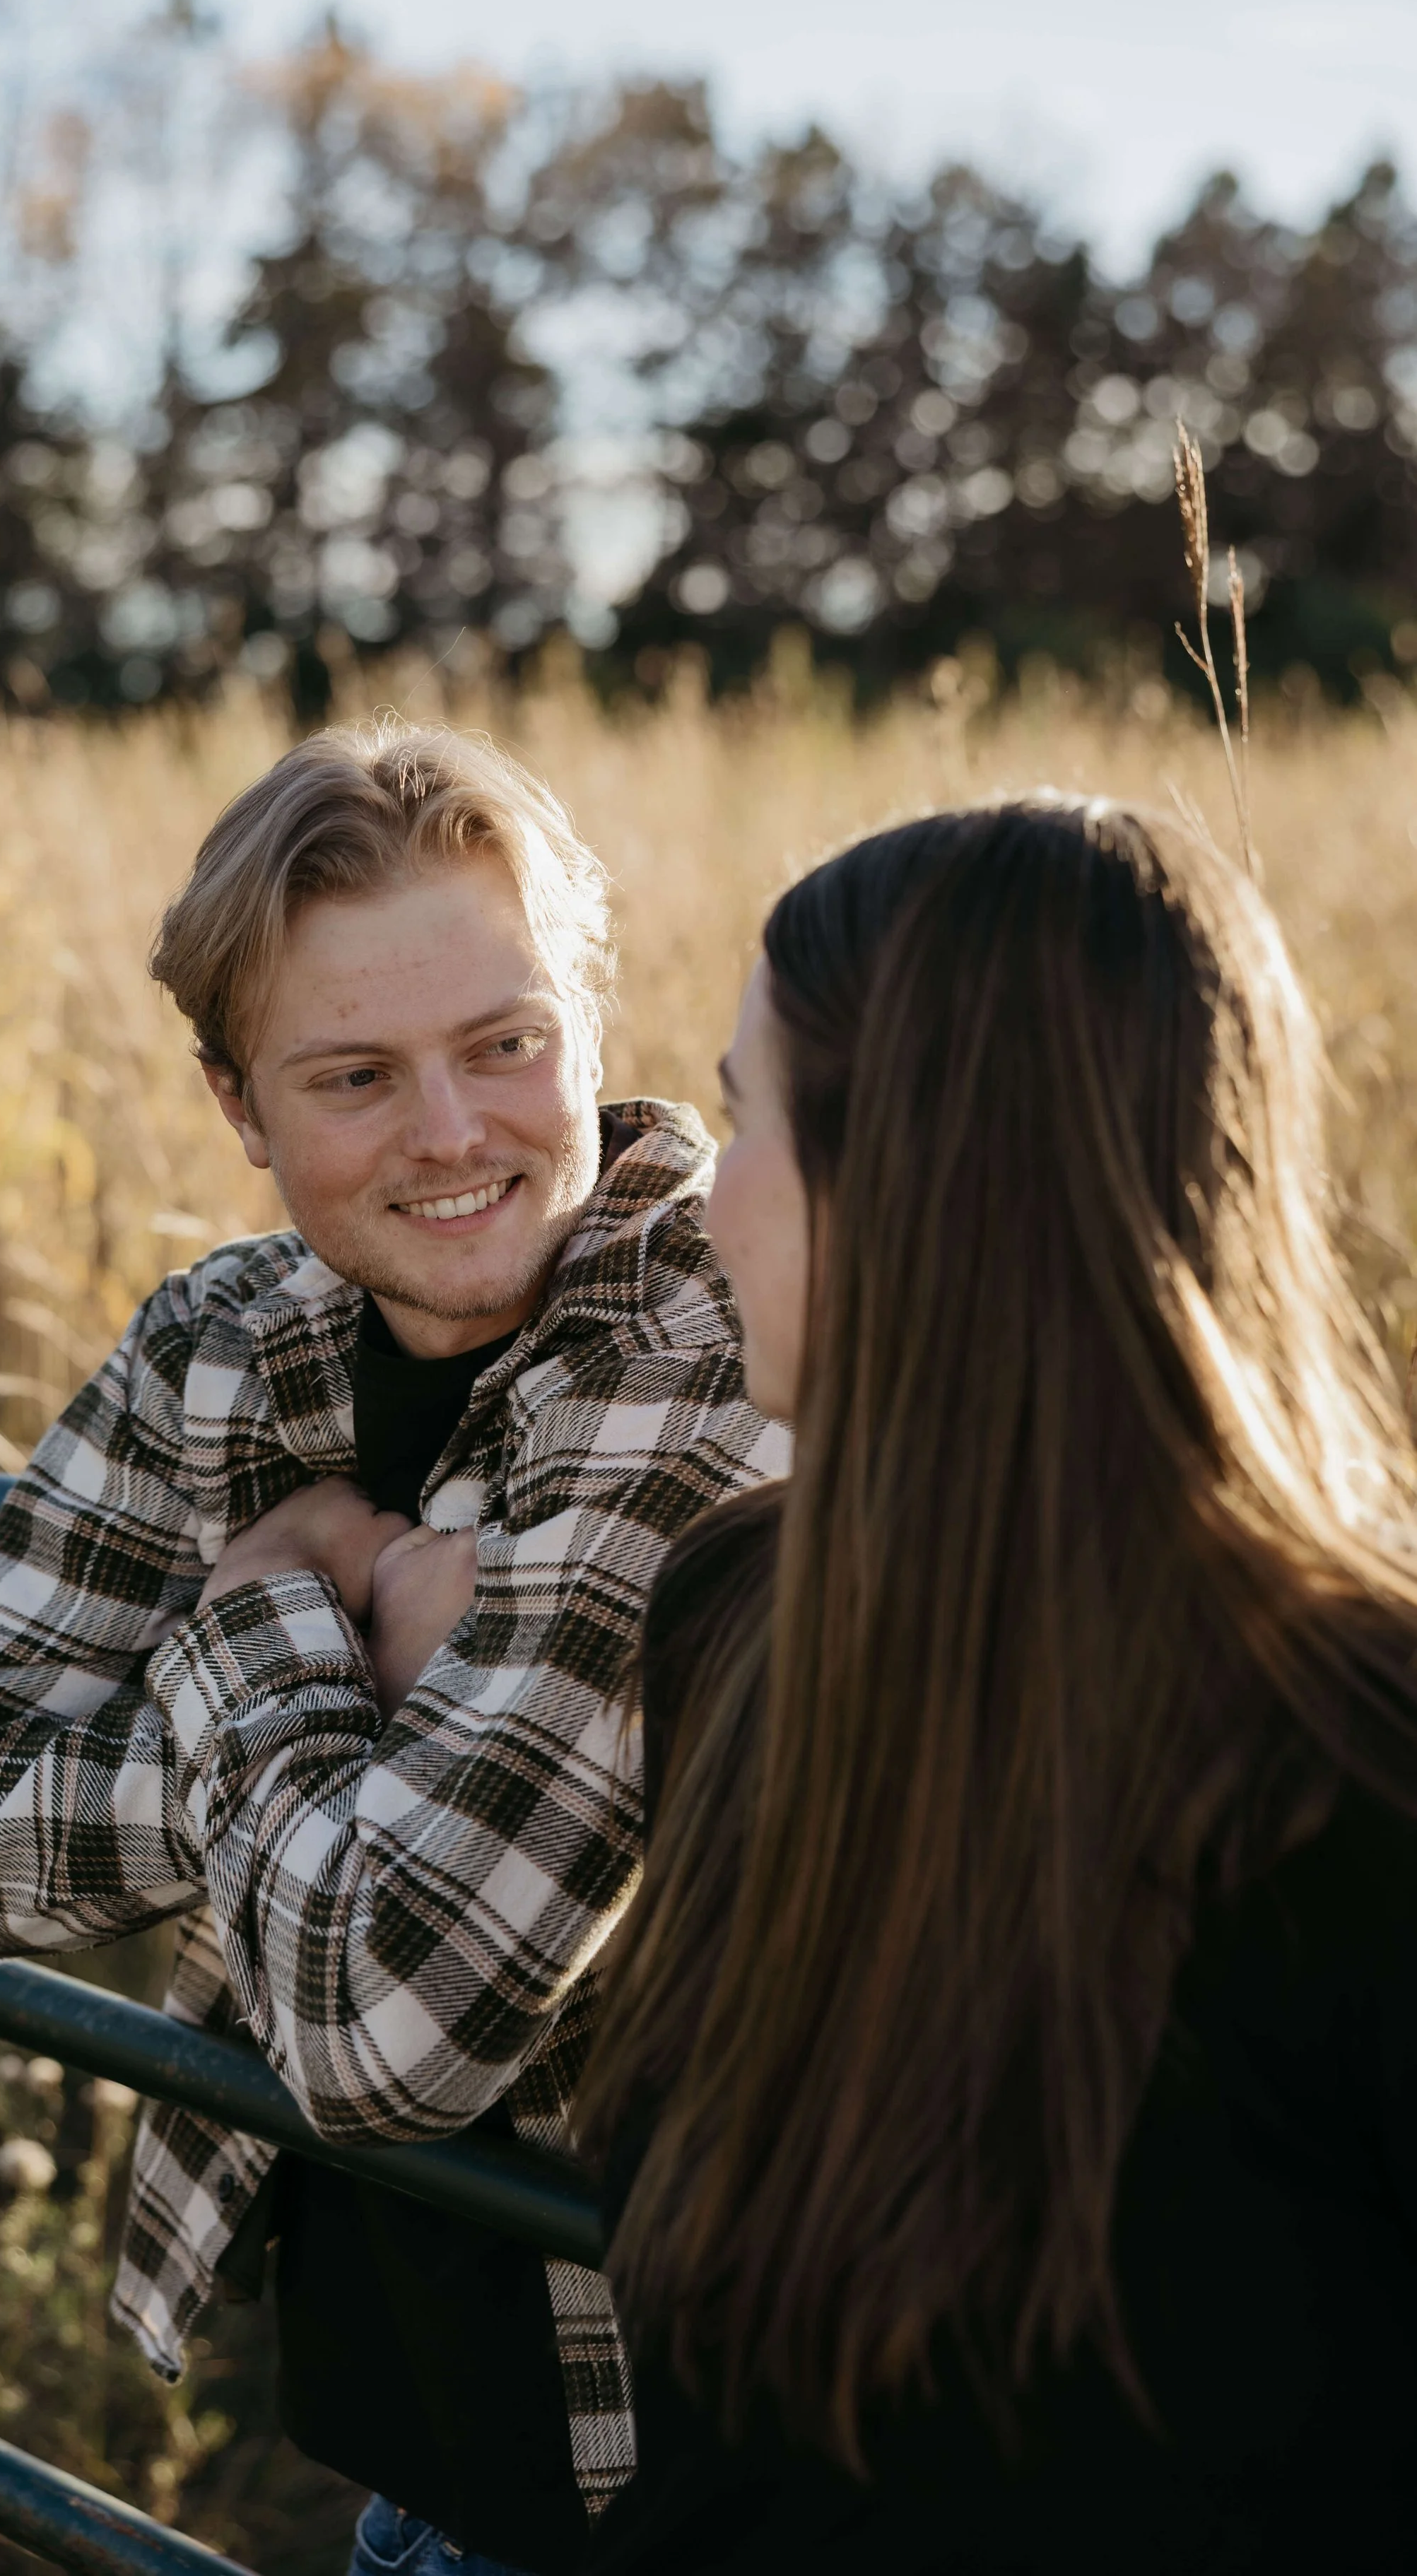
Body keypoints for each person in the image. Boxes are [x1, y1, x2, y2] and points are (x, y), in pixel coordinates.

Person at [0, 720, 785, 2576]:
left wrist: (268, 1608)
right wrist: (330, 1716)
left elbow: (395, 2028)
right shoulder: (225, 1342)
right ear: (236, 1106)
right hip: (402, 2443)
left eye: (504, 1042)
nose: (452, 1133)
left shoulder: (716, 1336)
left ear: (589, 1016)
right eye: (354, 1073)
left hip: (680, 2464)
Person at [577, 799, 1417, 2575]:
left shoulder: (1357, 1759)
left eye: (743, 1115)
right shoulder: (733, 1620)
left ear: (922, 1182)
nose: (698, 1201)